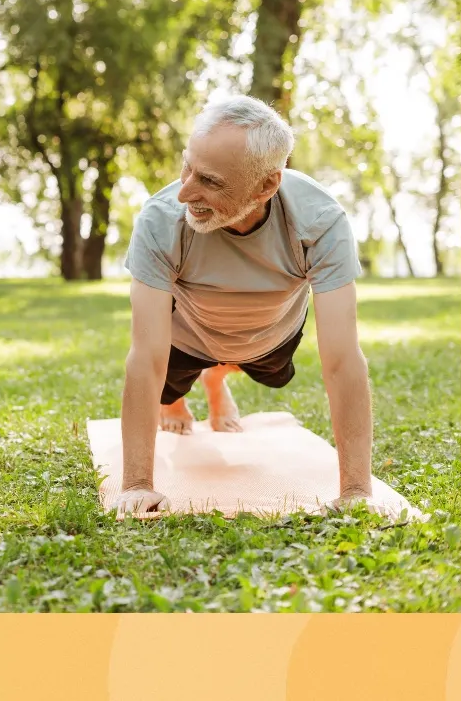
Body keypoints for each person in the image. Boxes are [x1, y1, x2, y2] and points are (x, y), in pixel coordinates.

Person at [111, 95, 375, 518]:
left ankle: (218, 379)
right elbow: (146, 357)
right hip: (187, 339)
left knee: (273, 376)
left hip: (268, 338)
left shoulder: (319, 221)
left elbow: (343, 360)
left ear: (267, 185)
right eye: (187, 166)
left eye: (210, 182)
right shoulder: (160, 219)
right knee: (165, 389)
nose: (184, 192)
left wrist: (356, 491)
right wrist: (137, 485)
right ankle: (188, 390)